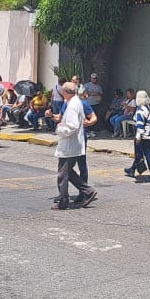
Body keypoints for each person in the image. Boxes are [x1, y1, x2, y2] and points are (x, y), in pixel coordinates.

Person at [52, 82, 96, 210]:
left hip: (69, 144)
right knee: (68, 172)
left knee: (62, 173)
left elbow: (72, 126)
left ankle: (63, 201)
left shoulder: (72, 106)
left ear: (65, 92)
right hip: (75, 143)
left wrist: (59, 129)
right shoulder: (75, 102)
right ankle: (88, 191)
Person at [123, 89, 150, 182]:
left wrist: (138, 137)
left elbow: (140, 125)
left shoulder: (140, 110)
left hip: (143, 135)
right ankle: (132, 169)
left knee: (146, 154)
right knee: (140, 153)